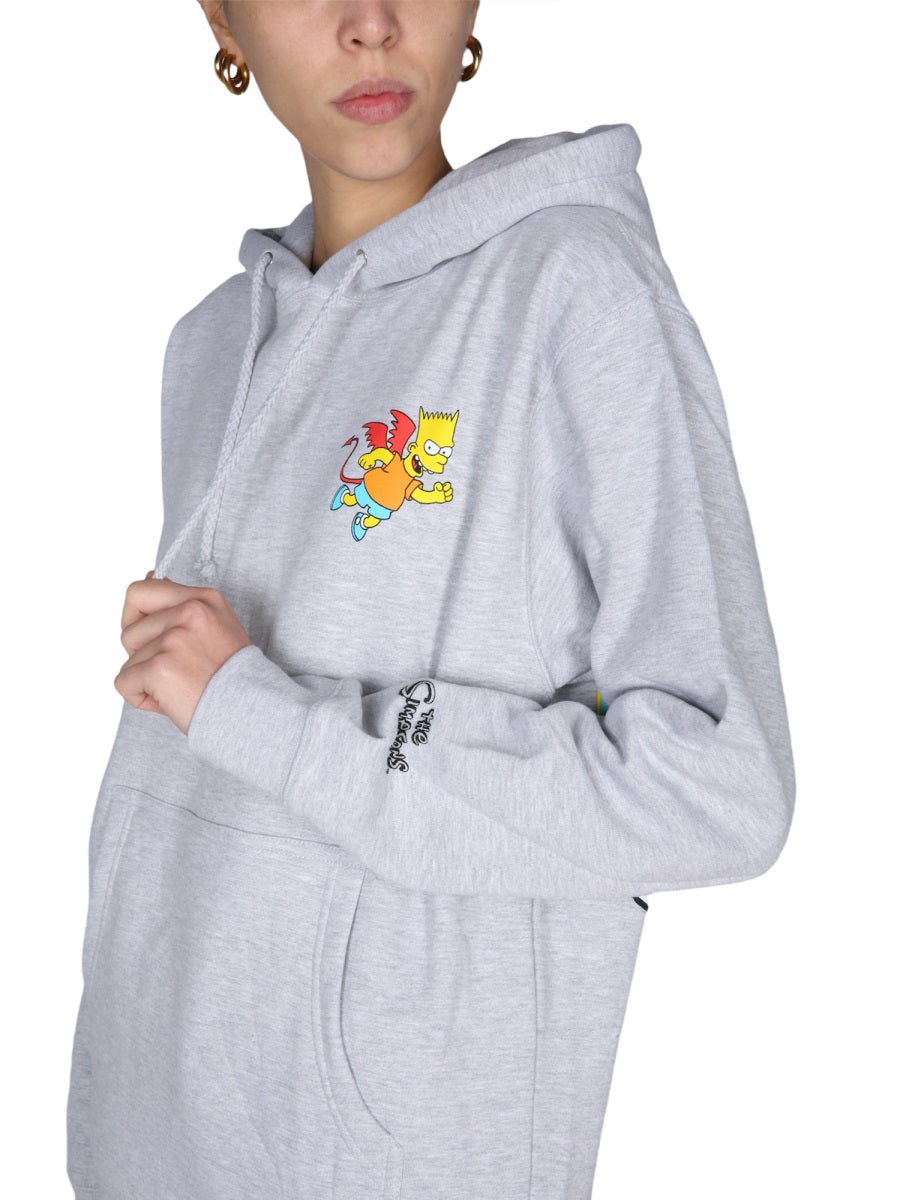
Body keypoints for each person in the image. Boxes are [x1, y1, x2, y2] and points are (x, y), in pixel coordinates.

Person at [66, 1, 796, 1197]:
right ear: (223, 20)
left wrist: (267, 717)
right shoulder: (209, 343)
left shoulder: (576, 289)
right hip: (149, 1135)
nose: (371, 22)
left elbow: (722, 790)